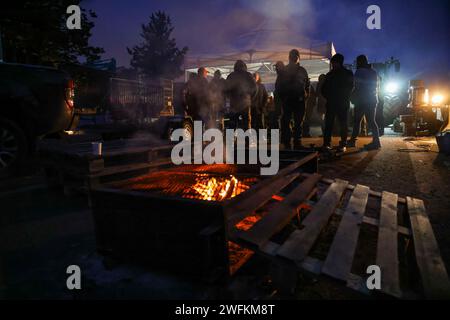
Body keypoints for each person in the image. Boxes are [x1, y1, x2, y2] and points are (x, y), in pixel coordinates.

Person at [277, 49, 310, 149]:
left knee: (293, 121)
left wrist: (305, 95)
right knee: (294, 122)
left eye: (295, 56)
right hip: (294, 100)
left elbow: (278, 86)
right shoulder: (301, 70)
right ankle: (294, 142)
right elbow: (307, 85)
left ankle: (292, 142)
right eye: (293, 56)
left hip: (294, 99)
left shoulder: (298, 70)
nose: (294, 58)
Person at [321, 53, 354, 152]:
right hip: (340, 103)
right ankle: (335, 143)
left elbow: (324, 90)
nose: (332, 65)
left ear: (338, 63)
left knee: (334, 124)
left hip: (336, 103)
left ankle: (333, 143)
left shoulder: (331, 74)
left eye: (333, 63)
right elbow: (351, 87)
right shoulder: (347, 73)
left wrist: (330, 97)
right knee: (338, 124)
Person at [348, 55, 381, 149]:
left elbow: (357, 86)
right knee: (372, 121)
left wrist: (352, 96)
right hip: (372, 99)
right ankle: (376, 142)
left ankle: (352, 141)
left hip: (362, 100)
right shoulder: (373, 72)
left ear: (360, 62)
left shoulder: (359, 71)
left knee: (357, 121)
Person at [225, 60, 257, 130]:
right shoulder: (248, 75)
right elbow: (255, 88)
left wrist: (229, 99)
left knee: (232, 124)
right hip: (245, 104)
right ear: (244, 66)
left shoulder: (231, 76)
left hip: (234, 104)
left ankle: (230, 140)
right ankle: (246, 140)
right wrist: (250, 99)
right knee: (246, 124)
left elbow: (226, 90)